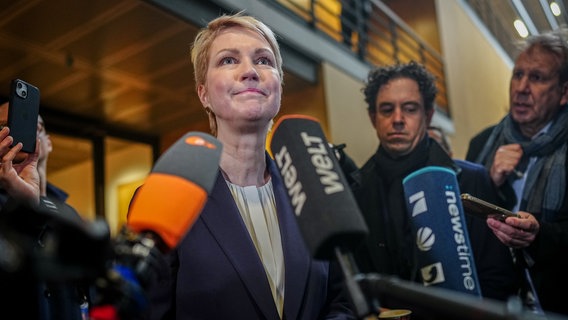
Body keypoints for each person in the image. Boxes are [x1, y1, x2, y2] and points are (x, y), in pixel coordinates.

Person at [137, 12, 356, 319]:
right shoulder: (165, 200)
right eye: (228, 60)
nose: (250, 71)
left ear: (278, 86)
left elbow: (343, 302)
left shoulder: (315, 189)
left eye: (264, 60)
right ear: (204, 94)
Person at [346, 61, 518, 317]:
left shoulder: (471, 180)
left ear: (427, 115)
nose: (397, 119)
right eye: (386, 109)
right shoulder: (355, 191)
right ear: (373, 117)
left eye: (410, 108)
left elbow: (499, 278)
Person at [465, 29, 568, 315]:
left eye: (537, 78)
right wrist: (488, 182)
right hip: (493, 304)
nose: (521, 87)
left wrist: (539, 234)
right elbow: (463, 233)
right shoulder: (481, 144)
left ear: (564, 93)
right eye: (517, 74)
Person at [0, 100, 90, 320]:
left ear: (48, 143)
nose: (22, 133)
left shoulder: (70, 214)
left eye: (34, 126)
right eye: (4, 127)